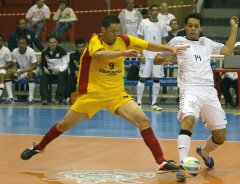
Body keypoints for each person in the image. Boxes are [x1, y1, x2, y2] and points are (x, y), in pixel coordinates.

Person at [20, 15, 187, 174]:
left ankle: (161, 161)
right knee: (64, 125)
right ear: (103, 30)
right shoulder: (95, 40)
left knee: (143, 120)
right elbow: (99, 55)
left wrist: (170, 48)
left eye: (118, 30)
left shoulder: (124, 40)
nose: (116, 34)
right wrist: (123, 53)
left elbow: (148, 45)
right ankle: (40, 146)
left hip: (116, 95)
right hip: (92, 95)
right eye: (113, 31)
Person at [153, 13, 238, 182]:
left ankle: (204, 152)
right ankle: (183, 165)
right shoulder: (177, 42)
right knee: (189, 119)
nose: (192, 29)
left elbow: (228, 51)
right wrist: (166, 58)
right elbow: (156, 59)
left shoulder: (206, 42)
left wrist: (234, 29)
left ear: (201, 28)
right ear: (186, 27)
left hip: (208, 91)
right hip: (189, 89)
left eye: (196, 26)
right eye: (190, 26)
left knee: (220, 136)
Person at [136, 4, 168, 110]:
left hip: (157, 56)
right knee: (142, 78)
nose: (154, 12)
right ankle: (139, 103)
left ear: (158, 11)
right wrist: (141, 54)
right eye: (152, 10)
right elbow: (140, 40)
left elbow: (164, 41)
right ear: (149, 11)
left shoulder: (163, 24)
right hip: (146, 54)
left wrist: (163, 56)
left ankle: (154, 103)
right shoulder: (143, 22)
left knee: (157, 79)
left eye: (156, 10)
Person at [40, 34, 69, 105]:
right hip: (50, 71)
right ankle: (45, 99)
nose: (52, 44)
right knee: (43, 76)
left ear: (56, 43)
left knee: (62, 76)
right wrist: (45, 70)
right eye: (50, 42)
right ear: (48, 43)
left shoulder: (62, 51)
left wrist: (59, 70)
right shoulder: (44, 52)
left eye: (54, 42)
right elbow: (43, 65)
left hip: (60, 70)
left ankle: (59, 99)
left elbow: (65, 64)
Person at [12, 37, 38, 104]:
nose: (22, 45)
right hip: (21, 70)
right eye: (20, 43)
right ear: (18, 44)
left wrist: (23, 71)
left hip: (32, 70)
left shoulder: (31, 51)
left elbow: (34, 66)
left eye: (24, 43)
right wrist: (15, 70)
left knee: (30, 74)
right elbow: (14, 64)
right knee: (12, 75)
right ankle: (10, 97)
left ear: (26, 44)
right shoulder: (15, 51)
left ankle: (31, 98)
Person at [65, 38, 86, 104]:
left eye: (82, 47)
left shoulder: (89, 56)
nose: (81, 48)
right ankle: (68, 97)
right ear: (76, 47)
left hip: (85, 75)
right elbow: (71, 67)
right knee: (70, 77)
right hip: (75, 74)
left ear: (85, 47)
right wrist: (75, 72)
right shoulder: (72, 56)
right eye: (79, 47)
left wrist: (81, 73)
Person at [0, 34, 14, 103]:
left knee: (2, 74)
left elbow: (10, 63)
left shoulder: (6, 50)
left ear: (2, 41)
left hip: (2, 69)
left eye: (0, 40)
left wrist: (3, 67)